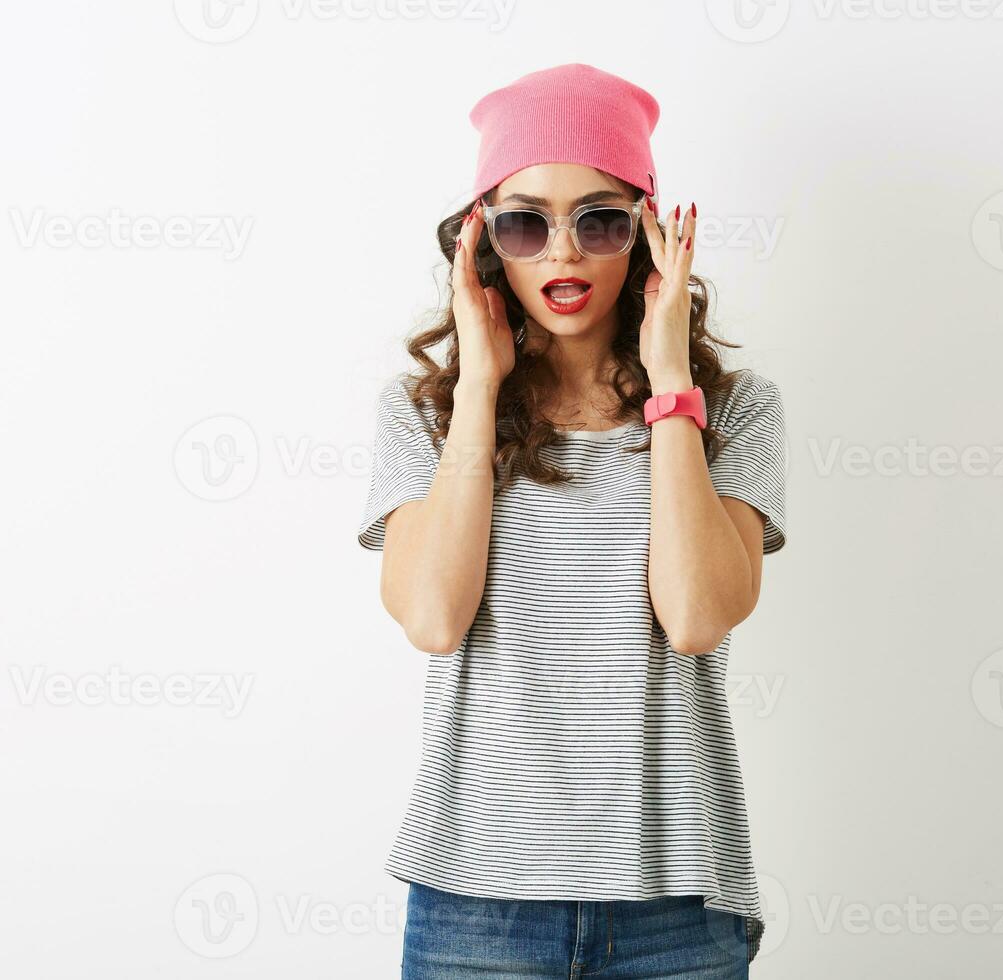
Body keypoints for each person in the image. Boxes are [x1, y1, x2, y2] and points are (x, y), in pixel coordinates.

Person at [356, 62, 789, 979]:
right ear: (483, 243)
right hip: (476, 901)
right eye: (524, 222)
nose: (562, 252)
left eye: (599, 220)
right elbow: (432, 620)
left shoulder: (734, 405)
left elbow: (699, 616)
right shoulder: (423, 413)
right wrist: (479, 389)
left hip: (675, 903)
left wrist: (670, 387)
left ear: (649, 237)